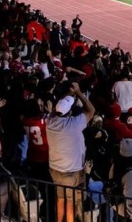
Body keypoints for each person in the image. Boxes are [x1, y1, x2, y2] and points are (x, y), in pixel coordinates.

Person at [46, 82, 95, 222]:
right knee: (71, 202)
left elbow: (56, 111)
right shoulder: (75, 123)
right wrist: (79, 92)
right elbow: (91, 110)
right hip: (71, 171)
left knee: (60, 199)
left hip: (55, 169)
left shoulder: (50, 121)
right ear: (70, 111)